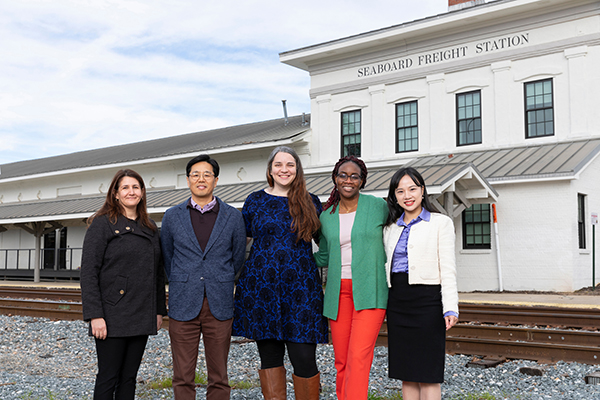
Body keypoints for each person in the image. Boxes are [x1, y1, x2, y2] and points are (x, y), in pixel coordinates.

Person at [232, 146, 328, 400]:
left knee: (304, 358)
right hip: (262, 290)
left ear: (297, 170)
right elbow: (242, 240)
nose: (284, 170)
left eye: (290, 165)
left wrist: (312, 261)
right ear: (270, 170)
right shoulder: (254, 201)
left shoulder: (311, 201)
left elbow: (326, 241)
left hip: (301, 292)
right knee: (270, 357)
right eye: (278, 165)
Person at [161, 154, 246, 400]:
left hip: (219, 304)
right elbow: (168, 258)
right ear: (188, 180)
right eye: (195, 174)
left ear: (216, 180)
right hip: (182, 303)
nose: (201, 179)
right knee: (182, 376)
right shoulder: (172, 216)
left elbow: (237, 259)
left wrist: (220, 279)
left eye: (207, 174)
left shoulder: (233, 216)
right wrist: (184, 280)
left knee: (219, 377)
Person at [81, 169, 167, 400]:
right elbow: (89, 273)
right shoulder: (102, 225)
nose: (131, 191)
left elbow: (158, 274)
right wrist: (95, 315)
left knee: (129, 377)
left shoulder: (149, 228)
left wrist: (158, 311)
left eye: (136, 187)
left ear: (142, 193)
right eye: (125, 187)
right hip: (111, 315)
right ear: (116, 194)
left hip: (141, 313)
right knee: (108, 376)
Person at [313, 155, 388, 400]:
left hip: (370, 291)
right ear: (335, 179)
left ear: (362, 181)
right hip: (337, 294)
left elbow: (399, 232)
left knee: (358, 358)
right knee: (342, 360)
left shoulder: (378, 207)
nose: (348, 180)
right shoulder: (326, 216)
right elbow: (323, 256)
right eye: (343, 175)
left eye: (354, 176)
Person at [383, 167, 459, 400]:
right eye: (401, 191)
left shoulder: (441, 223)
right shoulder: (389, 228)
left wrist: (450, 306)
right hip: (398, 304)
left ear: (423, 190)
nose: (407, 195)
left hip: (427, 303)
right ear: (394, 196)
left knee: (427, 373)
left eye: (412, 189)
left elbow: (448, 268)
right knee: (406, 373)